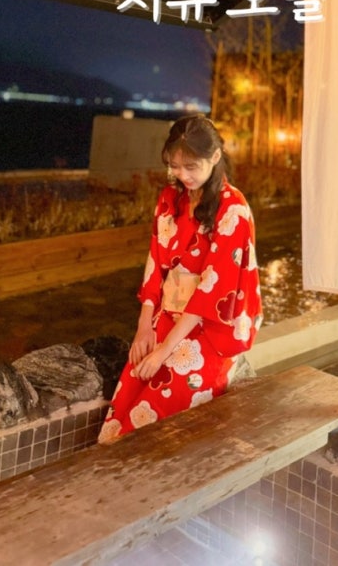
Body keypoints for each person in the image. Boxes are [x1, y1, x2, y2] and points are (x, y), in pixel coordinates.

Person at [98, 115, 262, 443]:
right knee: (128, 396)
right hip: (167, 316)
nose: (183, 175)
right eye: (175, 166)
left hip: (208, 327)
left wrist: (164, 351)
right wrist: (144, 327)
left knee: (157, 407)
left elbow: (213, 288)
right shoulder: (170, 199)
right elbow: (156, 262)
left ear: (215, 157)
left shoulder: (233, 209)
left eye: (191, 166)